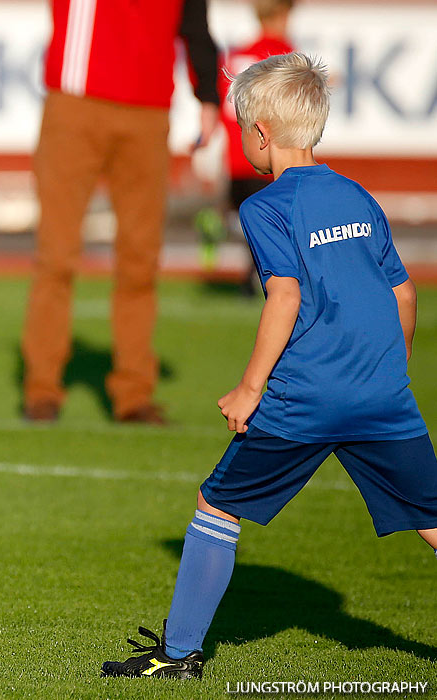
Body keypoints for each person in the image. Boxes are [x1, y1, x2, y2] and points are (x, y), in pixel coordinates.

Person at [100, 52, 437, 679]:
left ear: (259, 136)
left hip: (304, 399)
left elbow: (286, 294)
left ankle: (179, 655)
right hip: (383, 395)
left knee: (215, 505)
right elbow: (404, 294)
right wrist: (393, 368)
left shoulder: (265, 207)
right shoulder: (359, 196)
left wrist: (250, 388)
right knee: (431, 518)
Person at [21, 0, 220, 425]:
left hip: (147, 111)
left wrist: (207, 95)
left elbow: (195, 22)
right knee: (56, 254)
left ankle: (133, 393)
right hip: (76, 102)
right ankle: (42, 388)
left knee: (140, 259)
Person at [201, 0, 296, 294]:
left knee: (248, 214)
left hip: (237, 152)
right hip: (269, 152)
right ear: (281, 15)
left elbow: (222, 101)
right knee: (275, 223)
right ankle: (252, 282)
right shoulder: (284, 54)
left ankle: (215, 224)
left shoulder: (237, 55)